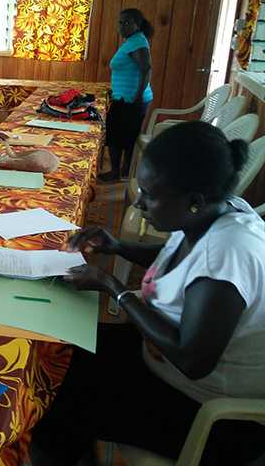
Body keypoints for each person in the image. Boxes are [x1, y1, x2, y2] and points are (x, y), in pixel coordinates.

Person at [30, 121, 265, 466]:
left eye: (150, 196)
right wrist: (118, 247)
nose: (139, 202)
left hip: (210, 415)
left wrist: (114, 287)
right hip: (161, 363)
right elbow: (181, 262)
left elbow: (193, 360)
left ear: (194, 201)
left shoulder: (227, 254)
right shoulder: (216, 212)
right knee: (61, 354)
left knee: (54, 405)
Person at [98, 8, 154, 182]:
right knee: (127, 136)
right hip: (127, 97)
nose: (122, 26)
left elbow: (146, 69)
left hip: (131, 99)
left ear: (137, 25)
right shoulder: (133, 40)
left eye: (127, 22)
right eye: (120, 22)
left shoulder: (137, 42)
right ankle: (123, 171)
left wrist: (136, 97)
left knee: (116, 137)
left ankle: (116, 173)